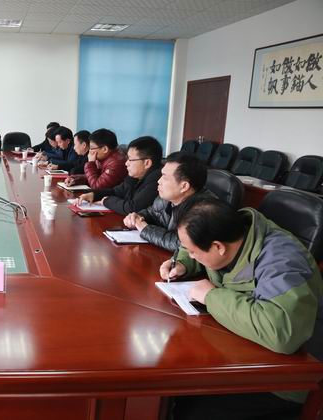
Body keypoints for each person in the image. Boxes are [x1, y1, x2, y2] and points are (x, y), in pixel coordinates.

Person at [160, 198, 323, 419]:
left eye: (193, 252)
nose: (190, 254)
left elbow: (281, 332)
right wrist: (183, 263)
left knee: (190, 407)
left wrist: (211, 296)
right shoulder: (231, 234)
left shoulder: (282, 261)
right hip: (239, 347)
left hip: (286, 376)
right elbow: (195, 247)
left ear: (218, 247)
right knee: (176, 384)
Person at [123, 152, 211, 252]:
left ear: (184, 186)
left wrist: (145, 229)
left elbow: (184, 246)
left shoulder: (205, 211)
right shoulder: (165, 199)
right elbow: (151, 213)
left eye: (164, 177)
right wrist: (137, 217)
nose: (159, 181)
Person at [76, 136, 162, 215]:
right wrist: (94, 195)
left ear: (147, 163)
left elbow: (133, 208)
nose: (126, 163)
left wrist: (106, 201)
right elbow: (116, 191)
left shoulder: (157, 180)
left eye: (130, 159)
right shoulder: (135, 176)